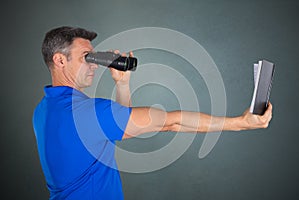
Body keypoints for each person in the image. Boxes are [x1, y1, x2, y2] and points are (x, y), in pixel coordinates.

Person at [32, 26, 273, 200]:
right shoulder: (88, 113)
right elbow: (171, 122)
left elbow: (116, 129)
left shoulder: (43, 110)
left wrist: (122, 84)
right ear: (60, 60)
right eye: (87, 57)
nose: (94, 63)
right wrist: (240, 123)